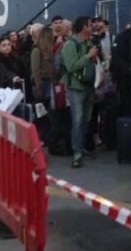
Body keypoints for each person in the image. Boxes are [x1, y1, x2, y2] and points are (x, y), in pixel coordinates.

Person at [61, 16, 100, 168]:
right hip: (76, 87)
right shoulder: (70, 44)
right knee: (77, 120)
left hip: (89, 86)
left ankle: (81, 148)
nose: (93, 27)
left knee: (86, 119)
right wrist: (88, 56)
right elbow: (71, 66)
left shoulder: (89, 42)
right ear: (84, 27)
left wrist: (95, 57)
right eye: (90, 25)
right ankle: (77, 152)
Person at [31, 26, 56, 111]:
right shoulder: (37, 50)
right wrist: (38, 86)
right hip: (42, 81)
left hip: (50, 79)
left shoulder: (50, 50)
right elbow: (35, 70)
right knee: (45, 106)